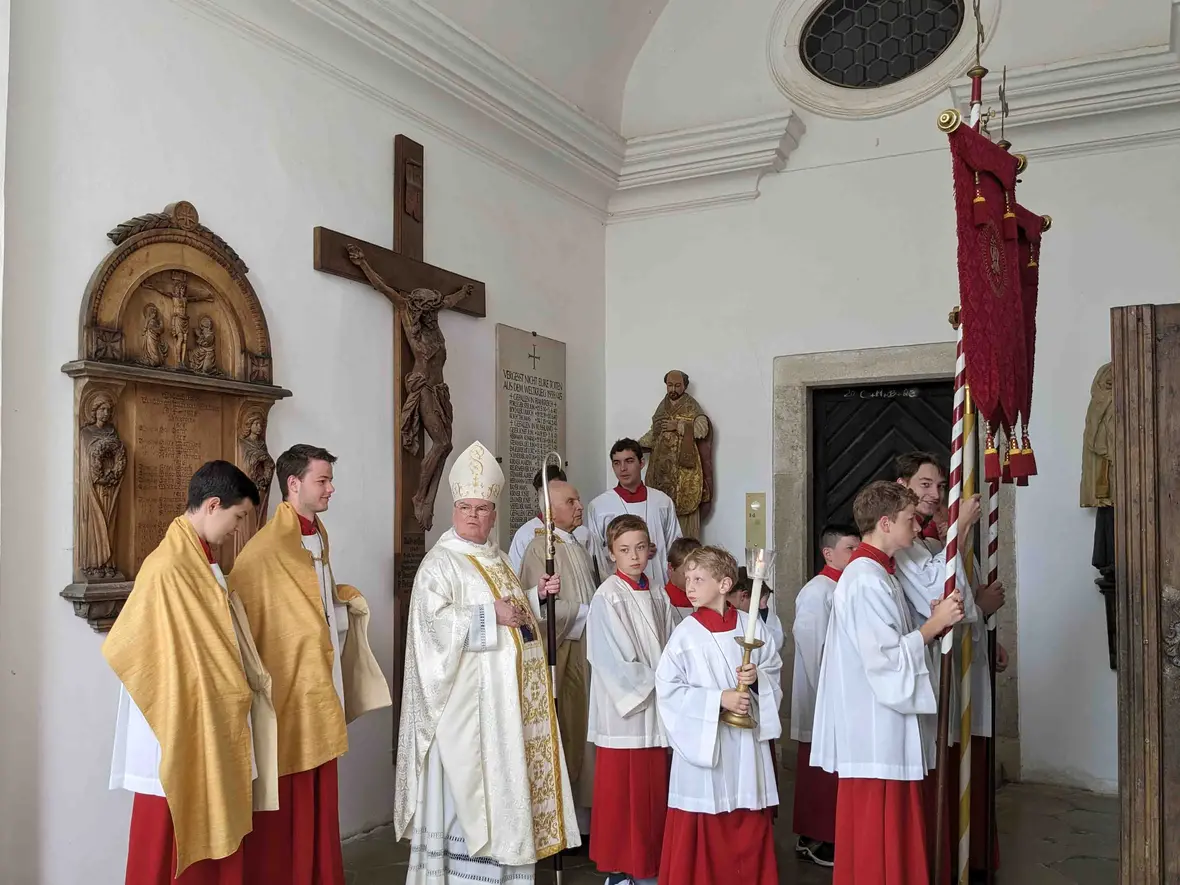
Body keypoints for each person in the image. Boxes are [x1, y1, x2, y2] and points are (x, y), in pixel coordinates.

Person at [394, 441, 579, 884]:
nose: (474, 516)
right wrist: (486, 615)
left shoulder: (496, 559)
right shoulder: (439, 564)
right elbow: (429, 630)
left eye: (482, 509)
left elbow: (514, 616)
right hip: (467, 715)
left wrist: (537, 596)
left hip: (506, 710)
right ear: (454, 509)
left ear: (494, 514)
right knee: (470, 804)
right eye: (465, 507)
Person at [104, 461, 276, 885]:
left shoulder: (203, 561)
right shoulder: (169, 567)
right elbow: (144, 650)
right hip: (172, 719)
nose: (238, 529)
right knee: (165, 832)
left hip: (208, 712)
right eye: (237, 518)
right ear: (213, 505)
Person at [229, 444, 391, 884]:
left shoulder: (315, 534)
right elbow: (252, 624)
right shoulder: (263, 551)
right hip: (287, 693)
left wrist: (340, 600)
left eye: (329, 480)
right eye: (323, 480)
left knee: (320, 791)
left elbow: (310, 605)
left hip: (319, 681)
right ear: (294, 484)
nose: (331, 489)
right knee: (290, 799)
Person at [810, 481, 965, 885]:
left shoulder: (879, 573)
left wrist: (925, 623)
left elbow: (892, 639)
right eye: (910, 520)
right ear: (884, 522)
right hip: (874, 727)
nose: (917, 528)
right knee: (880, 827)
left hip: (882, 724)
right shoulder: (864, 578)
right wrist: (933, 626)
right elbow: (883, 658)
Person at [892, 451, 1006, 878]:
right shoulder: (900, 546)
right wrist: (962, 529)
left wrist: (981, 625)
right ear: (902, 484)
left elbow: (954, 592)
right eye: (925, 485)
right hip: (923, 668)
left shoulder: (928, 541)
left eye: (940, 487)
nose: (935, 494)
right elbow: (933, 599)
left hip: (953, 664)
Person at [656, 545, 781, 885]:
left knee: (748, 821)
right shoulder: (685, 635)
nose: (690, 586)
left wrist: (757, 683)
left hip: (745, 748)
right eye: (687, 579)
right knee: (705, 824)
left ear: (725, 585)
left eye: (699, 579)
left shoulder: (750, 626)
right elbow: (668, 690)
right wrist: (719, 700)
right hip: (707, 749)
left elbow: (772, 669)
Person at [586, 514, 678, 885]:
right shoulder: (607, 596)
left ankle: (651, 863)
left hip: (658, 708)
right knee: (626, 797)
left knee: (653, 796)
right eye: (625, 550)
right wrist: (660, 681)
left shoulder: (658, 593)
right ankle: (625, 869)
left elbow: (674, 644)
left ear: (651, 548)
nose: (634, 556)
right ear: (611, 554)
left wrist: (675, 677)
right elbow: (610, 660)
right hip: (627, 713)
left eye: (640, 547)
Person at [518, 477, 598, 839]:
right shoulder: (540, 548)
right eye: (571, 502)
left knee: (585, 732)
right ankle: (565, 825)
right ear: (550, 510)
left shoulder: (577, 546)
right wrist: (588, 614)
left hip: (587, 653)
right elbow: (540, 609)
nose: (579, 507)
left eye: (578, 500)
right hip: (564, 655)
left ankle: (585, 820)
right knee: (567, 728)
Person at [790, 523, 860, 869]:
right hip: (822, 699)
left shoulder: (844, 586)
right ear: (828, 553)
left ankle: (820, 834)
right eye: (849, 548)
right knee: (820, 773)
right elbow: (813, 648)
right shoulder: (818, 591)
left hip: (837, 698)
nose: (856, 554)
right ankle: (819, 838)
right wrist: (830, 697)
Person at [586, 438, 682, 588]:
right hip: (620, 588)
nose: (622, 468)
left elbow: (675, 546)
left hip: (660, 584)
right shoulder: (599, 506)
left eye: (629, 461)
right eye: (617, 463)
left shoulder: (662, 502)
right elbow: (594, 553)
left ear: (641, 463)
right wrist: (632, 549)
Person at [638, 370, 714, 537]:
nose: (673, 389)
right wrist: (636, 446)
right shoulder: (662, 406)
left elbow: (702, 429)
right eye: (670, 385)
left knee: (685, 523)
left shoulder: (691, 405)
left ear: (685, 386)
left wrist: (679, 425)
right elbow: (655, 433)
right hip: (660, 472)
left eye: (677, 385)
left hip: (684, 472)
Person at [508, 465, 591, 572]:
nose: (547, 497)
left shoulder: (583, 533)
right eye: (544, 492)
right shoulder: (525, 534)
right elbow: (517, 575)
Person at [665, 536, 702, 622]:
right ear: (670, 568)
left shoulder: (706, 599)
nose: (693, 581)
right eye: (686, 574)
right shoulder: (663, 601)